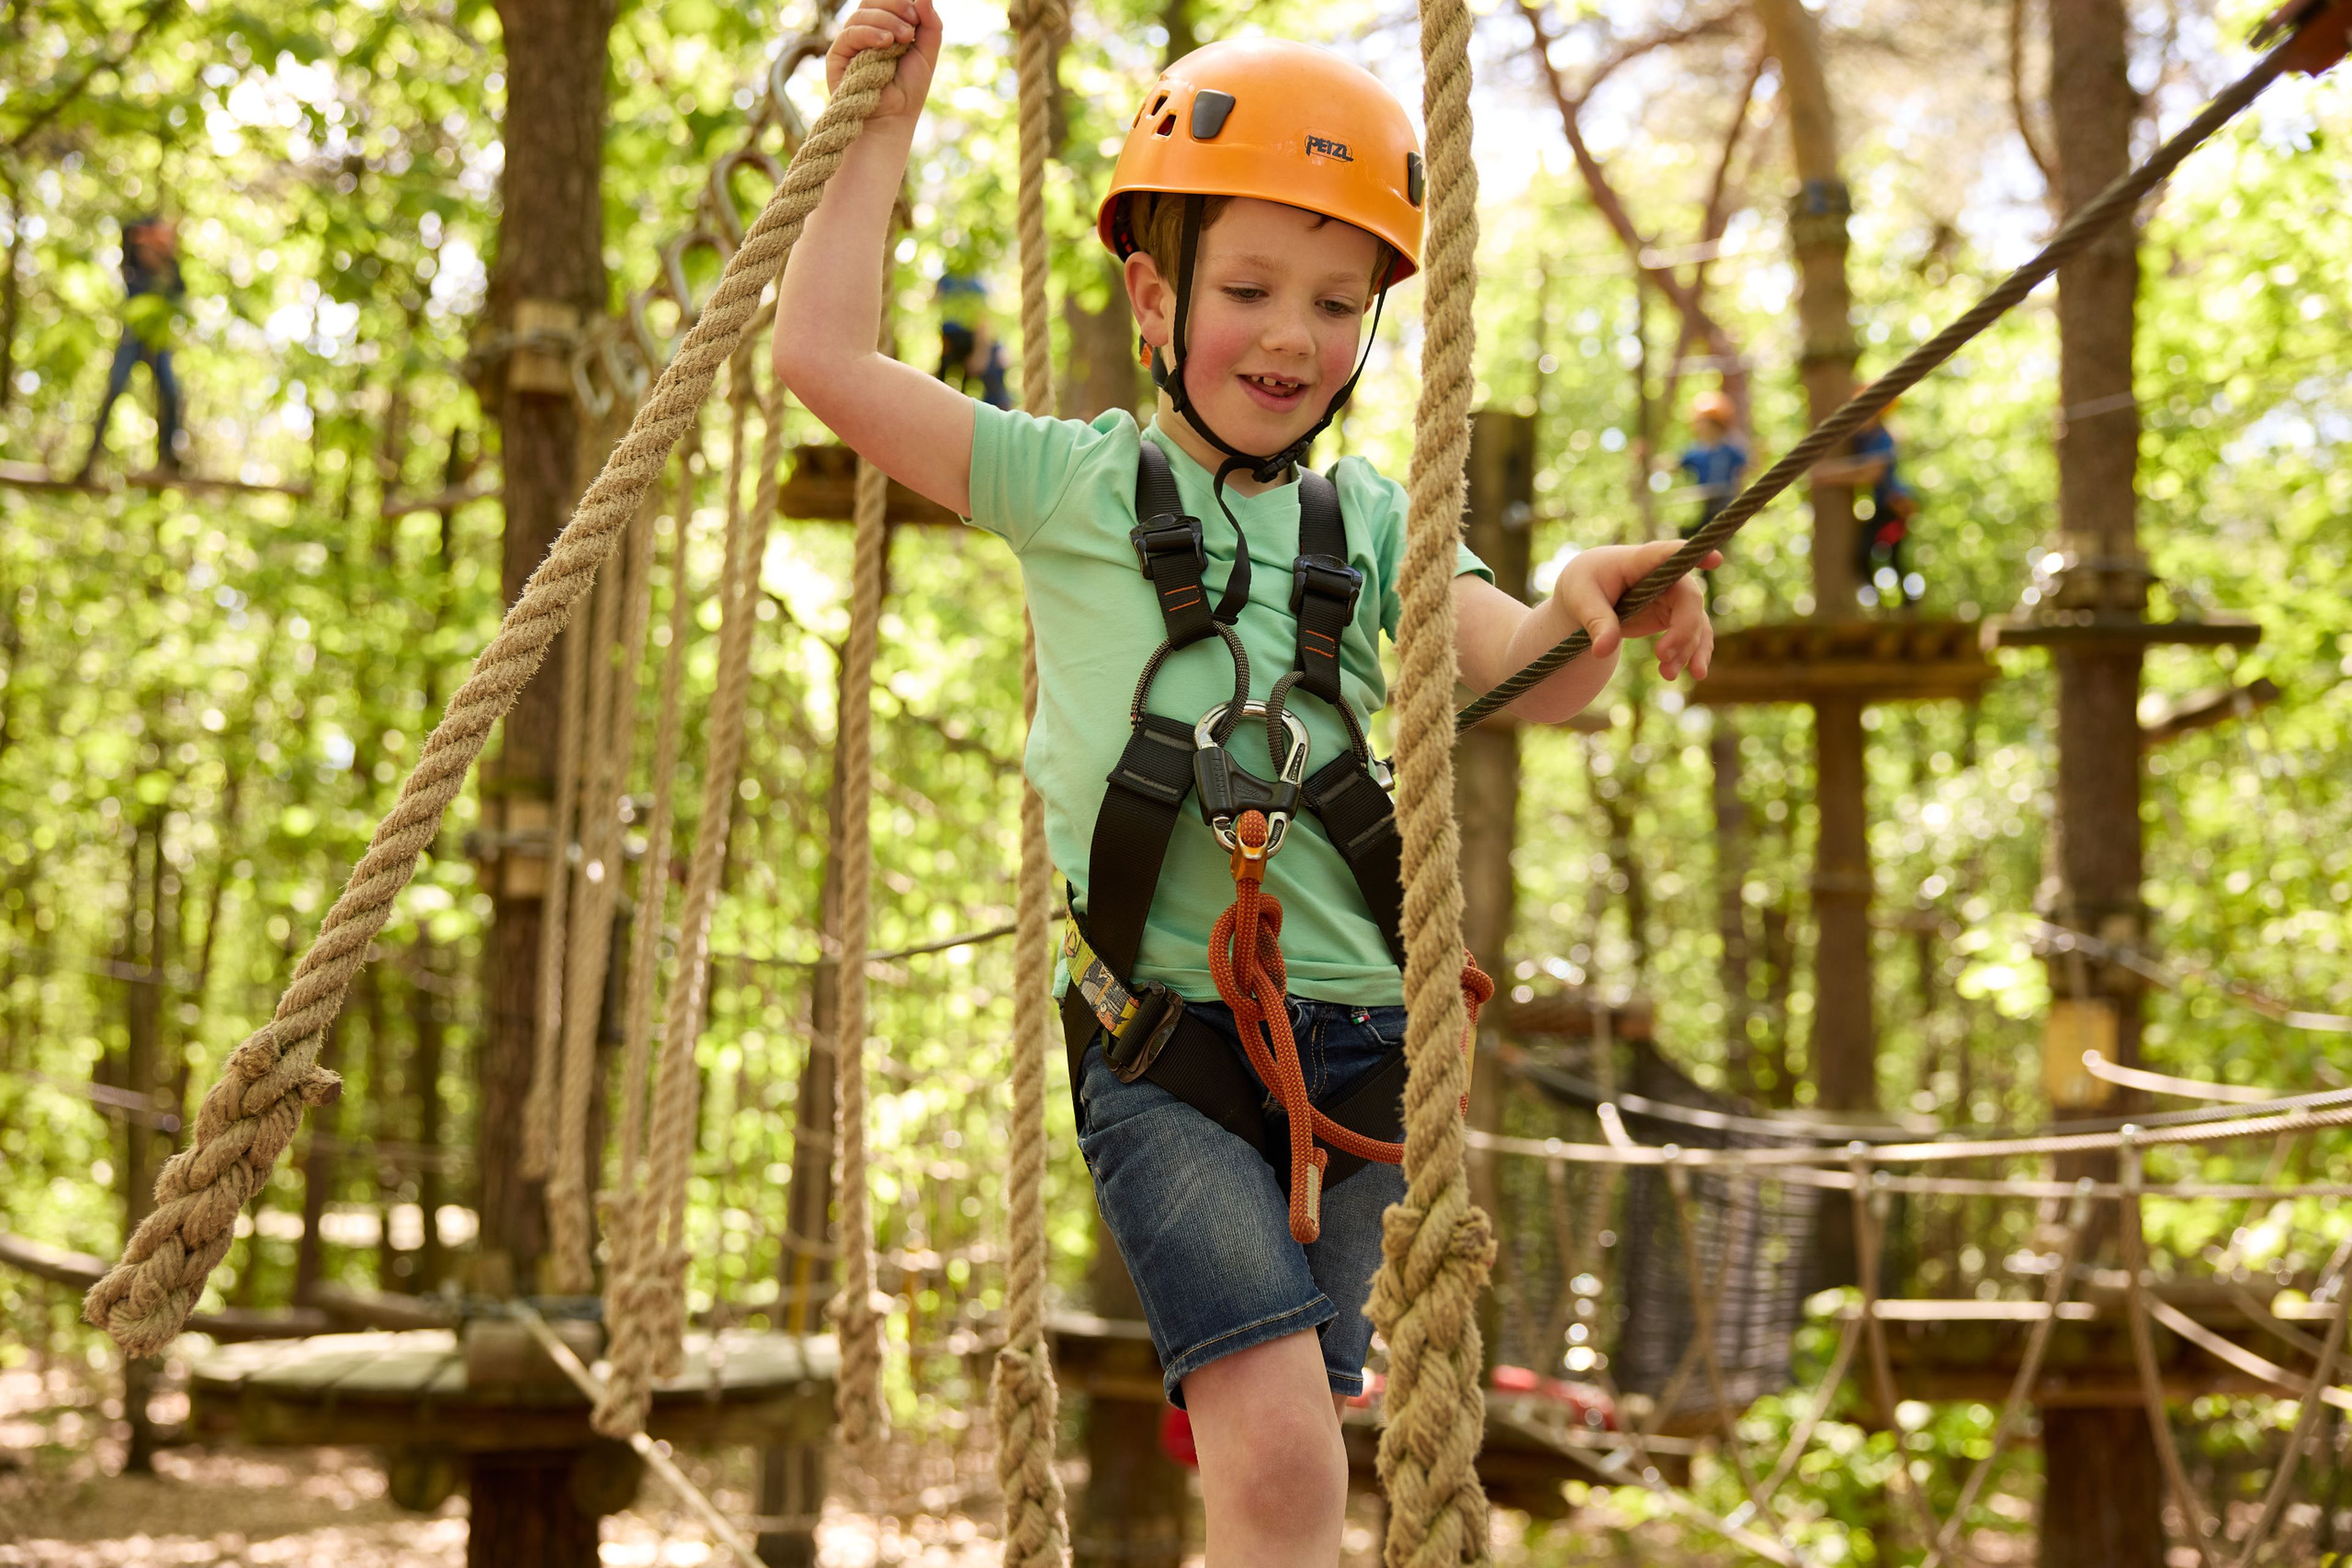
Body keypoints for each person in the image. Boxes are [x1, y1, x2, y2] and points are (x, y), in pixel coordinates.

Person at [774, 15, 1717, 1562]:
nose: (1292, 335)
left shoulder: (1375, 524)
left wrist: (1587, 594)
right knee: (1283, 1468)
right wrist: (879, 131)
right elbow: (824, 359)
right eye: (1249, 292)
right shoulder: (1068, 485)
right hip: (1170, 1053)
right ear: (1155, 296)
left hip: (1368, 1065)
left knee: (1306, 1450)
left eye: (1336, 303)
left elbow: (1528, 675)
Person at [78, 214, 186, 481]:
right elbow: (127, 234)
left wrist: (165, 256)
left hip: (158, 341)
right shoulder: (131, 264)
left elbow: (182, 292)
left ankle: (167, 458)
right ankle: (90, 461)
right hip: (132, 338)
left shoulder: (169, 268)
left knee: (171, 392)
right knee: (114, 389)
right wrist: (147, 238)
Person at [1837, 392, 1919, 606]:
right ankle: (1888, 604)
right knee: (1878, 556)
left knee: (1885, 555)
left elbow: (1872, 472)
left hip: (1894, 508)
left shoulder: (1883, 438)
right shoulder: (1864, 438)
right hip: (1884, 507)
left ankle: (1905, 606)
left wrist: (1825, 475)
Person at [935, 273, 1013, 409]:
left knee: (993, 384)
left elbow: (983, 323)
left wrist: (981, 353)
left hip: (974, 342)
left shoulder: (973, 283)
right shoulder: (947, 281)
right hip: (956, 343)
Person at [1675, 388, 1746, 531]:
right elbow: (1675, 464)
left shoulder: (1730, 450)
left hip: (1726, 503)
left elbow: (1745, 470)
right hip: (1705, 505)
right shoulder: (1697, 452)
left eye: (1706, 423)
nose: (1702, 428)